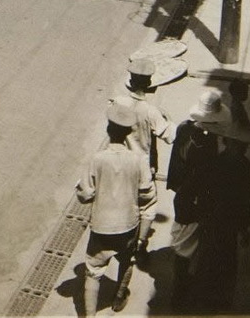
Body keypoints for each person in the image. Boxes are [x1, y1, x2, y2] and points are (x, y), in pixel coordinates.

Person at [76, 99, 153, 316]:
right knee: (126, 259)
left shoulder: (97, 159)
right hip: (129, 223)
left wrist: (81, 190)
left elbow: (86, 194)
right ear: (129, 132)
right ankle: (119, 297)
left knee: (93, 271)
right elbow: (146, 192)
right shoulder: (138, 160)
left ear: (109, 130)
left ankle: (89, 315)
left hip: (102, 226)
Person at [167, 89, 231, 312]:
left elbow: (175, 168)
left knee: (185, 245)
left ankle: (182, 288)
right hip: (197, 202)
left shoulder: (184, 129)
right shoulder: (210, 146)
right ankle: (182, 292)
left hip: (185, 199)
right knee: (188, 248)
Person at [112, 55, 176, 250]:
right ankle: (139, 244)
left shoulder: (118, 103)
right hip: (142, 165)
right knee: (147, 207)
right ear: (149, 83)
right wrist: (168, 118)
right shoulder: (151, 111)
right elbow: (170, 136)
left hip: (119, 162)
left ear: (130, 81)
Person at [192, 126, 250, 314]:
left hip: (221, 221)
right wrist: (244, 228)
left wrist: (243, 228)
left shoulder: (226, 162)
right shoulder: (233, 164)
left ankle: (212, 300)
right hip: (222, 221)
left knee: (217, 260)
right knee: (219, 260)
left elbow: (244, 196)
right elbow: (244, 197)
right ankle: (214, 300)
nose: (243, 148)